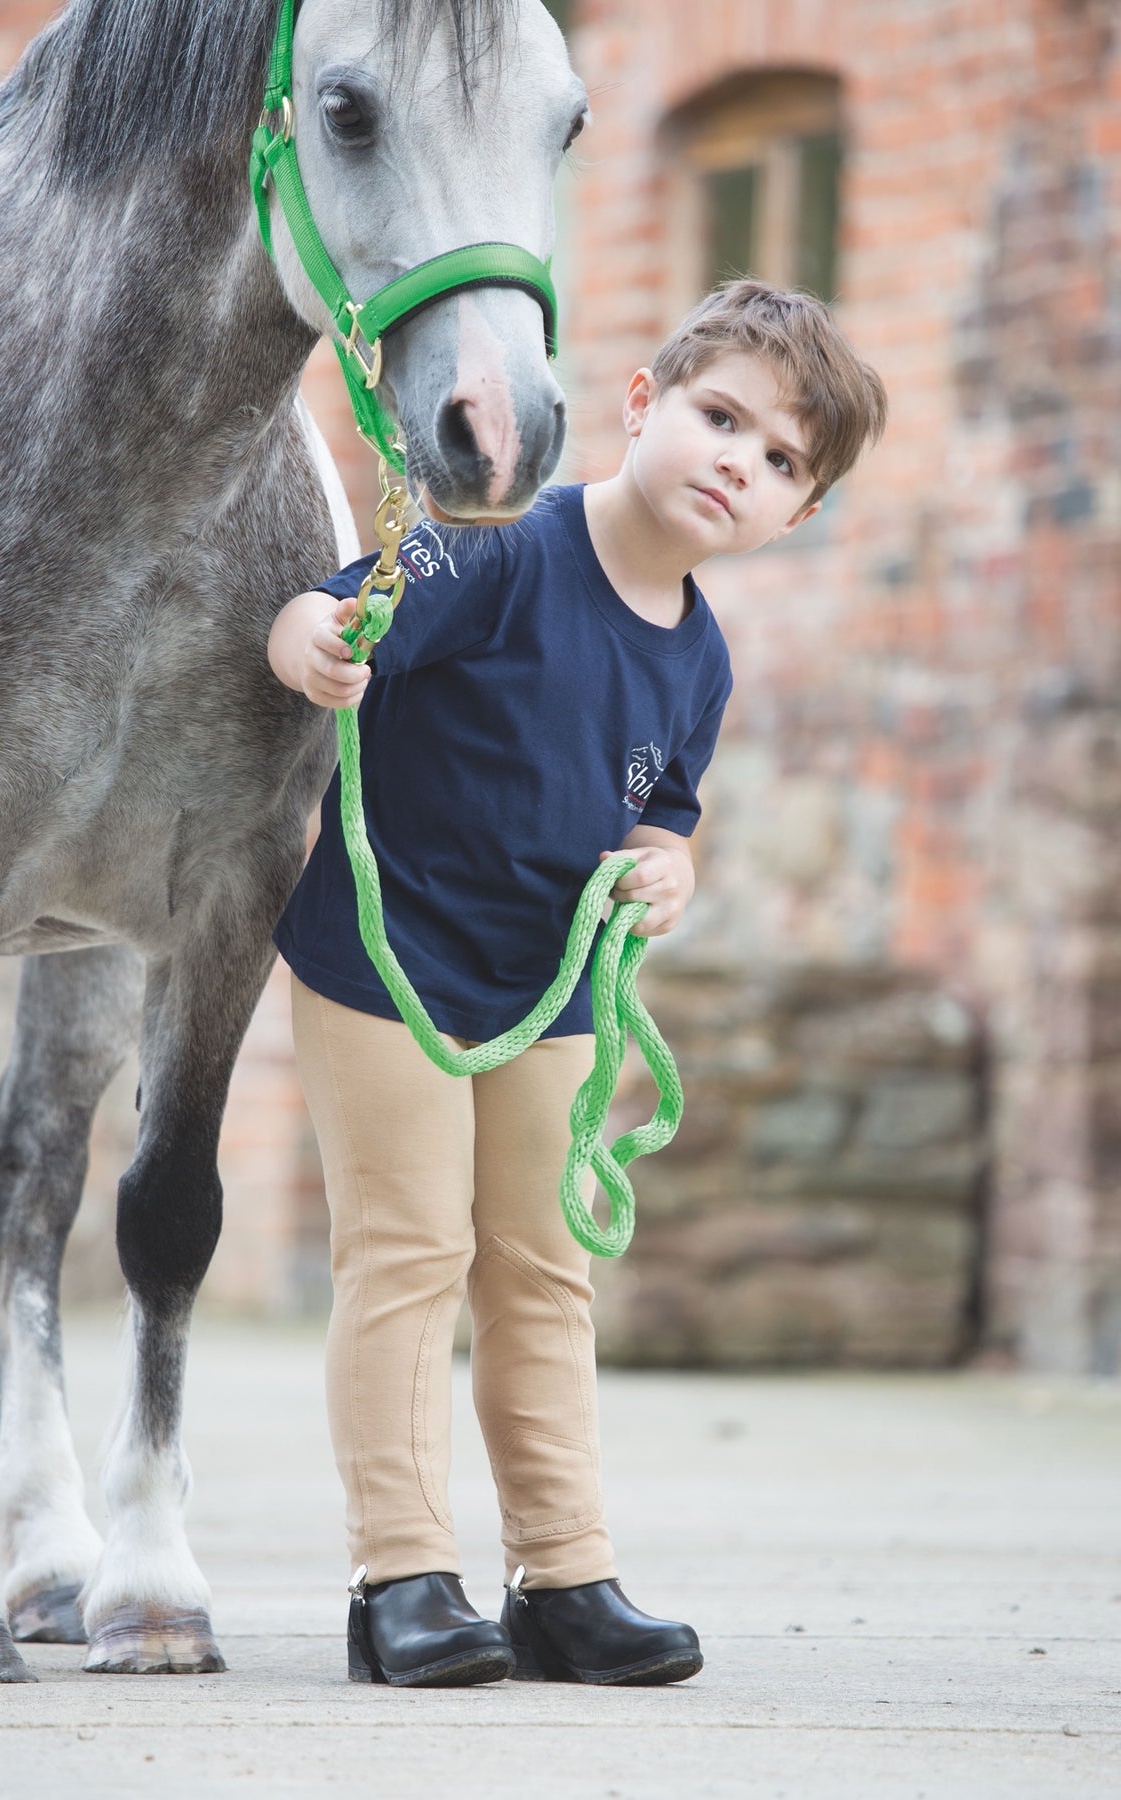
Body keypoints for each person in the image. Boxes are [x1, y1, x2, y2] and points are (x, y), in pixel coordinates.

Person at [267, 281, 887, 1688]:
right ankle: (402, 1577)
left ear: (798, 514)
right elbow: (343, 608)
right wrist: (301, 636)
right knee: (411, 1258)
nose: (740, 460)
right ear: (639, 406)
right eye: (721, 417)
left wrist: (665, 864)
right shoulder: (501, 553)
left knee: (545, 1275)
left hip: (552, 987)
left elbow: (666, 804)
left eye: (784, 461)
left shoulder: (701, 657)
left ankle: (562, 1575)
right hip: (391, 965)